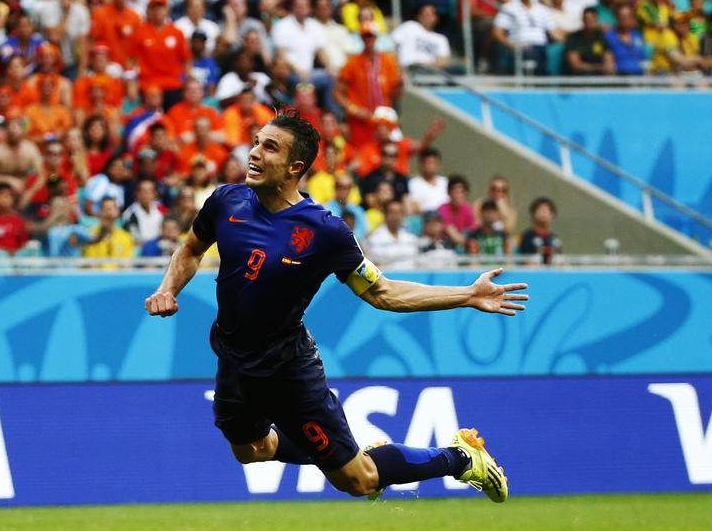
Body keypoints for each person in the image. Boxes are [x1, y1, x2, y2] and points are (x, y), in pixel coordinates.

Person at [144, 111, 520, 502]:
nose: (253, 153)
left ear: (295, 168)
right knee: (250, 449)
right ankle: (349, 454)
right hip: (235, 360)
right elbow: (190, 250)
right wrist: (168, 288)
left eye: (269, 147)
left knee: (359, 481)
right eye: (256, 141)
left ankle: (459, 458)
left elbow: (383, 293)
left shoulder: (324, 231)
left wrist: (467, 295)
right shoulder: (226, 201)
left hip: (287, 369)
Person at [518, 196, 560, 263]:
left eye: (546, 210)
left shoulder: (555, 238)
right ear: (533, 214)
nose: (543, 213)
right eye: (540, 210)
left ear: (552, 215)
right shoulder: (526, 236)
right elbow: (523, 260)